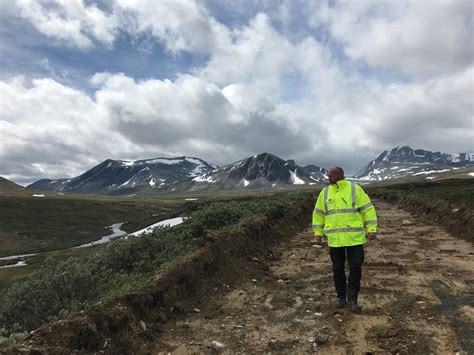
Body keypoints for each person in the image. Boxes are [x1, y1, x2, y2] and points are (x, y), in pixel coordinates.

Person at [312, 166, 378, 312]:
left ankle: (353, 299)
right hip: (335, 240)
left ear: (340, 175)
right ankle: (341, 298)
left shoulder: (355, 189)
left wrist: (371, 229)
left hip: (354, 239)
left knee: (355, 267)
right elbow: (318, 213)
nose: (329, 177)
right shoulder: (325, 192)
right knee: (337, 269)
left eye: (331, 175)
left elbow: (368, 209)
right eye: (328, 175)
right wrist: (317, 232)